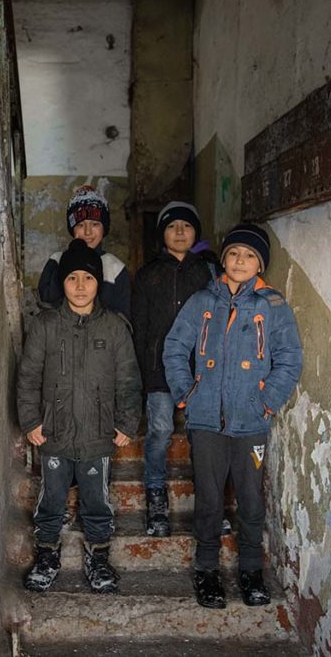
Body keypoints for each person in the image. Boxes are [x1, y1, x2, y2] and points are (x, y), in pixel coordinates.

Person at [162, 223, 303, 609]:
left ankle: (251, 571)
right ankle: (207, 570)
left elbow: (289, 358)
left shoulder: (272, 306)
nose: (241, 261)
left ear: (260, 264)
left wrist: (265, 402)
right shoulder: (202, 301)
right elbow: (175, 346)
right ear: (224, 259)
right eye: (234, 254)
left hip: (250, 422)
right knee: (209, 501)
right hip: (206, 420)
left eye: (250, 255)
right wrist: (187, 394)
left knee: (251, 502)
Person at [18, 239, 142, 594]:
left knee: (97, 501)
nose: (80, 286)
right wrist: (31, 421)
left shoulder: (114, 327)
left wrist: (126, 423)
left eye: (87, 278)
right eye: (72, 278)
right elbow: (28, 376)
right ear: (63, 283)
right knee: (51, 498)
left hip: (98, 434)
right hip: (53, 432)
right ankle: (46, 554)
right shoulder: (45, 325)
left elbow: (129, 380)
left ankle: (98, 557)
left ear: (98, 282)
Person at [131, 202, 217, 537]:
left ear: (196, 232)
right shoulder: (148, 273)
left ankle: (208, 504)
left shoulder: (209, 272)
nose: (179, 232)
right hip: (158, 370)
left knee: (201, 436)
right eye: (171, 226)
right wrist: (143, 373)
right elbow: (140, 326)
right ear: (162, 234)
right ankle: (156, 498)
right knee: (160, 430)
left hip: (200, 370)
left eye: (186, 225)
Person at [37, 185, 131, 317]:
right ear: (72, 228)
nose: (87, 232)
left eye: (95, 224)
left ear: (104, 228)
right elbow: (45, 304)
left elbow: (123, 316)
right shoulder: (57, 260)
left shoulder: (115, 267)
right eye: (80, 225)